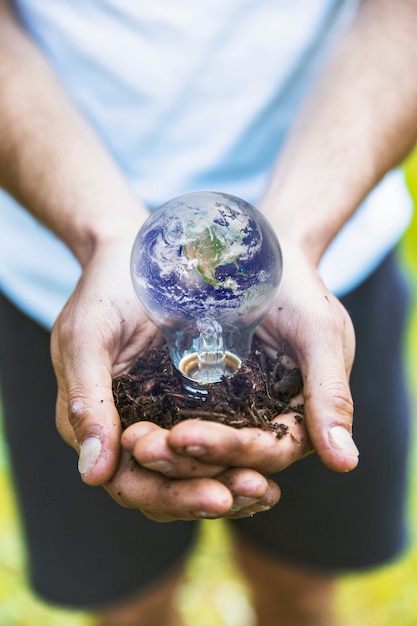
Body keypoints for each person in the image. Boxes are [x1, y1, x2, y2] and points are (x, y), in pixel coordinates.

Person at [0, 0, 416, 624]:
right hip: (70, 289)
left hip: (323, 257)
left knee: (302, 589)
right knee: (128, 605)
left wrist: (295, 236)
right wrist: (104, 235)